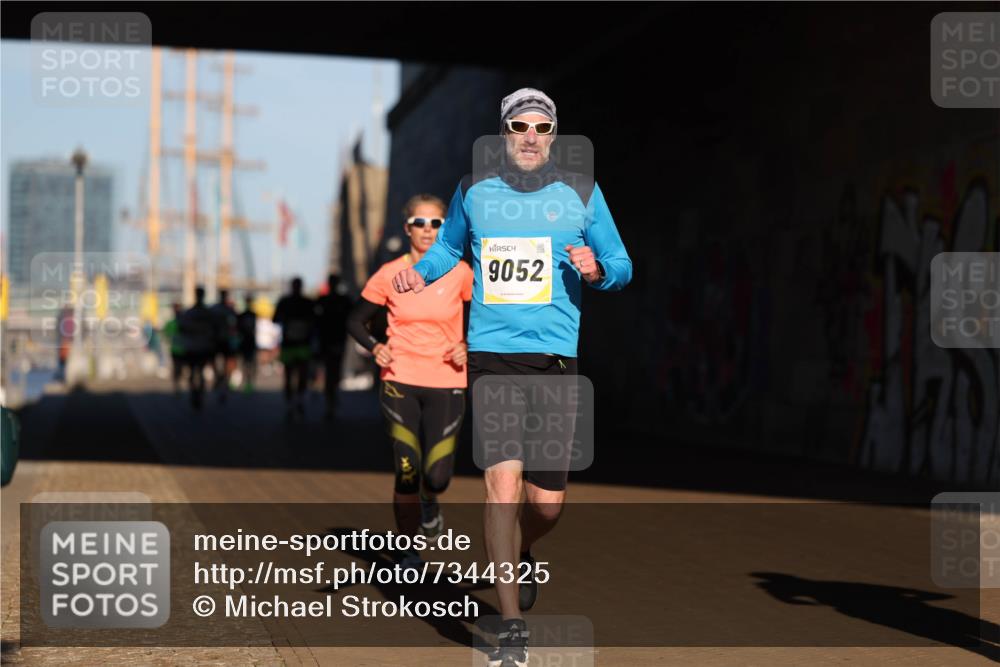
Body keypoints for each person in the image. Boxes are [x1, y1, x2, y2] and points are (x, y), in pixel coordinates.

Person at [391, 88, 632, 667]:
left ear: (553, 135)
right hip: (491, 356)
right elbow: (449, 248)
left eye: (541, 127)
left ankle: (525, 550)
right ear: (503, 133)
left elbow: (622, 264)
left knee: (546, 503)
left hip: (554, 360)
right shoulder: (474, 189)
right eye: (519, 125)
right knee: (502, 486)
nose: (530, 135)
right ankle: (511, 625)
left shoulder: (580, 192)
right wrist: (419, 275)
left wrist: (598, 270)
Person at [349, 193, 473, 568]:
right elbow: (355, 320)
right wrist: (375, 347)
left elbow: (485, 315)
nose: (427, 230)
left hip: (447, 379)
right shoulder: (389, 274)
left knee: (435, 476)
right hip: (399, 378)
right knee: (406, 467)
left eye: (436, 223)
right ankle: (406, 547)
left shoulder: (461, 272)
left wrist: (469, 344)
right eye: (420, 222)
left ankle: (430, 502)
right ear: (407, 228)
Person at [273, 277, 316, 422]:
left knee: (297, 373)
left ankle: (296, 400)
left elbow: (314, 320)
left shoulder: (302, 302)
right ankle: (293, 402)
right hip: (292, 344)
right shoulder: (290, 302)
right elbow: (275, 319)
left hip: (298, 344)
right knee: (290, 374)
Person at [315, 274, 352, 420]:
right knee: (333, 370)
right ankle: (331, 397)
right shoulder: (341, 300)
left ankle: (331, 396)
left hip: (331, 340)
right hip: (333, 340)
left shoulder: (325, 300)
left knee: (332, 371)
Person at [179, 286, 218, 411]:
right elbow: (214, 331)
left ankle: (194, 393)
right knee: (200, 372)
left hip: (192, 346)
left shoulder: (189, 313)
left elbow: (182, 329)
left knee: (193, 371)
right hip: (203, 346)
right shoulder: (209, 313)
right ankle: (199, 393)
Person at [210, 289, 239, 404]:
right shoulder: (227, 309)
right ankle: (221, 378)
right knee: (226, 360)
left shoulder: (219, 309)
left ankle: (222, 378)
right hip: (221, 340)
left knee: (228, 360)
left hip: (223, 340)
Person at [236, 294, 258, 393]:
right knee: (246, 362)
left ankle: (249, 381)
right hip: (246, 341)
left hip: (248, 341)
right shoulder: (246, 315)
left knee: (249, 362)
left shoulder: (251, 315)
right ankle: (247, 381)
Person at [163, 303, 185, 394]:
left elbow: (166, 335)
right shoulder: (181, 323)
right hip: (179, 349)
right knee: (178, 367)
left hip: (178, 349)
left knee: (177, 367)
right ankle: (177, 385)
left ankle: (177, 385)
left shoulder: (171, 323)